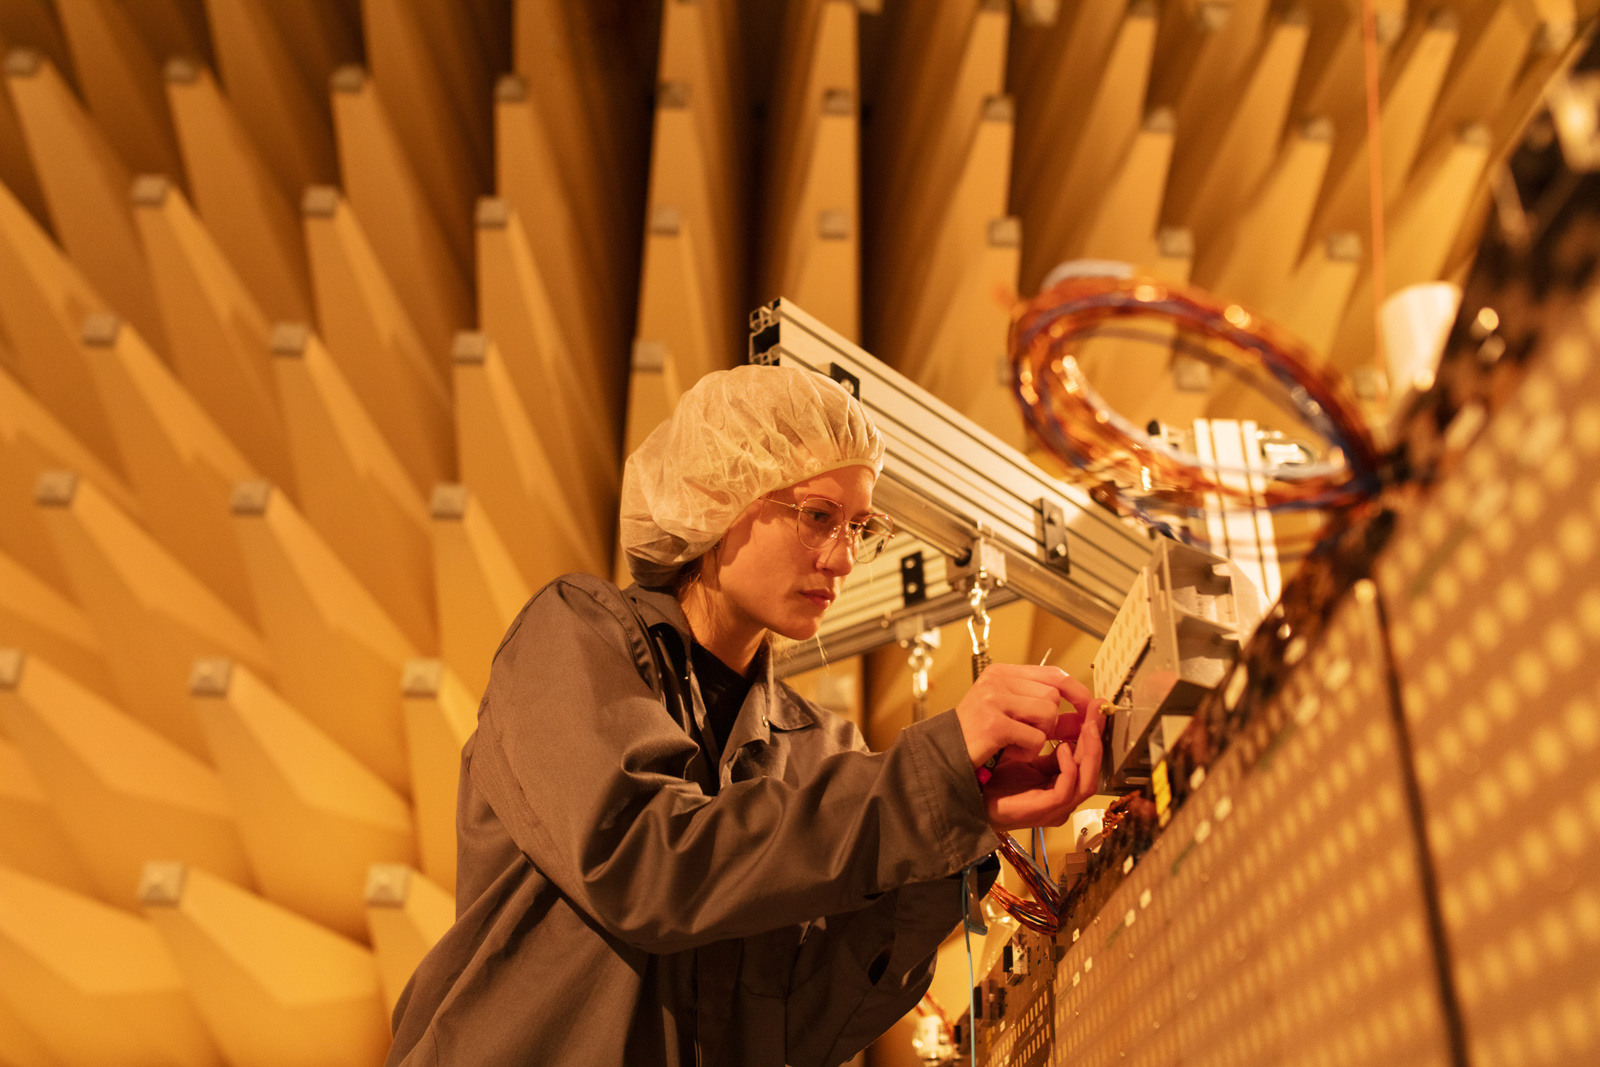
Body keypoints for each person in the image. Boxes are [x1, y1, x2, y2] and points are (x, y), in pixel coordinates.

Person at [387, 364, 1105, 1066]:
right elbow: (645, 863)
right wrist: (929, 773)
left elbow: (803, 1030)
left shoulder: (820, 750)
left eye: (860, 527)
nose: (844, 560)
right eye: (818, 517)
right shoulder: (573, 635)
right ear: (714, 498)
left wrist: (961, 809)